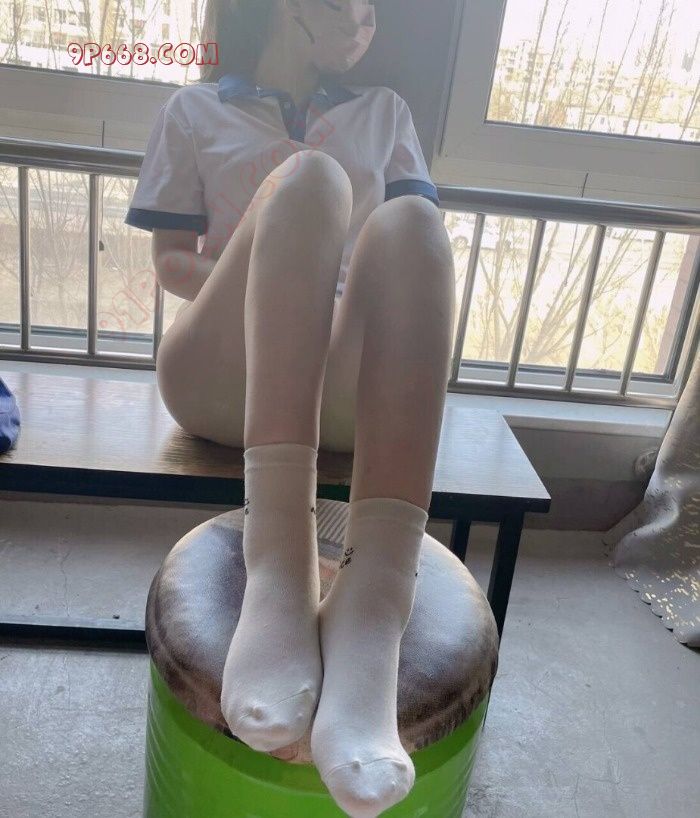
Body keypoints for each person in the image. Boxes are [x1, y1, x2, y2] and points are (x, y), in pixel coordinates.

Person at [125, 1, 455, 814]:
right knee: (310, 179)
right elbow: (171, 262)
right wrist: (286, 288)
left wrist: (324, 307)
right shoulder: (194, 109)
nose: (362, 25)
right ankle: (279, 558)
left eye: (374, 15)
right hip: (221, 370)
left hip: (336, 385)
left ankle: (376, 595)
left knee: (415, 222)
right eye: (346, 6)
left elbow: (399, 276)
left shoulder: (386, 112)